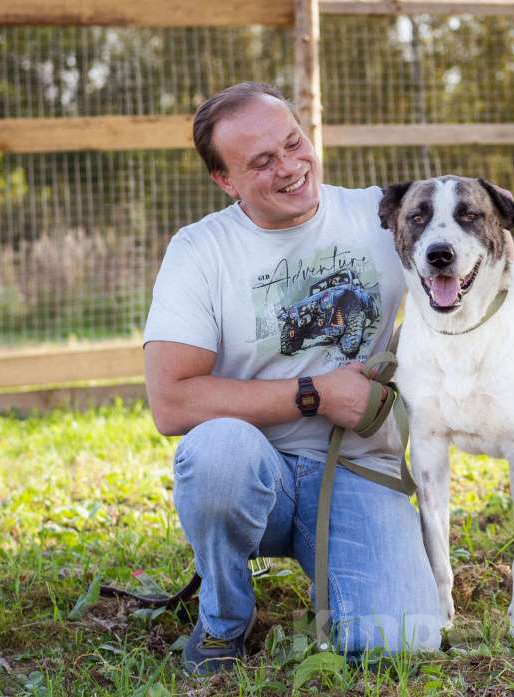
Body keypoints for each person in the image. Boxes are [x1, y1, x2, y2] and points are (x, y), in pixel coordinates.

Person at [142, 82, 443, 675]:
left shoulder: (384, 216)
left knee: (401, 642)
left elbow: (472, 259)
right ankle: (225, 622)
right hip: (257, 473)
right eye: (262, 162)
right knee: (215, 451)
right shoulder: (201, 251)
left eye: (293, 143)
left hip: (360, 469)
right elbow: (171, 402)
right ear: (225, 181)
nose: (290, 167)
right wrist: (316, 394)